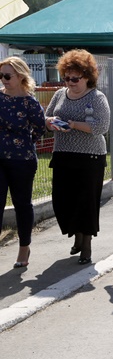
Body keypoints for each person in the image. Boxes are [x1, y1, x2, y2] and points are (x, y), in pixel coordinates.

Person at [45, 49, 110, 265]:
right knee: (63, 201)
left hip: (90, 157)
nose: (70, 83)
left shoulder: (97, 97)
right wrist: (51, 122)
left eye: (75, 78)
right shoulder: (59, 94)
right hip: (63, 154)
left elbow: (102, 126)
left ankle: (86, 244)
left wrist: (73, 125)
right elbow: (47, 118)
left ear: (87, 77)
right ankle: (77, 235)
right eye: (66, 78)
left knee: (86, 202)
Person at [0, 57, 45, 268]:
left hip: (22, 161)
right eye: (1, 75)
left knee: (22, 204)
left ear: (20, 76)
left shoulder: (30, 102)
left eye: (7, 76)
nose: (3, 79)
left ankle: (24, 248)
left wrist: (24, 143)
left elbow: (40, 128)